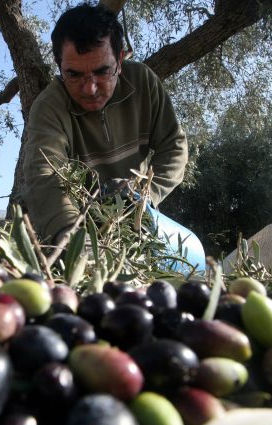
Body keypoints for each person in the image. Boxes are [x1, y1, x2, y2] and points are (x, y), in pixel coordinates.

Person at [22, 2, 189, 246]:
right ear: (60, 67)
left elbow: (174, 145)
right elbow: (44, 173)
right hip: (80, 232)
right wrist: (72, 235)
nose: (90, 89)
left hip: (138, 228)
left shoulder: (142, 82)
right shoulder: (48, 107)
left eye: (102, 71)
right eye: (74, 74)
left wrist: (143, 197)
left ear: (120, 60)